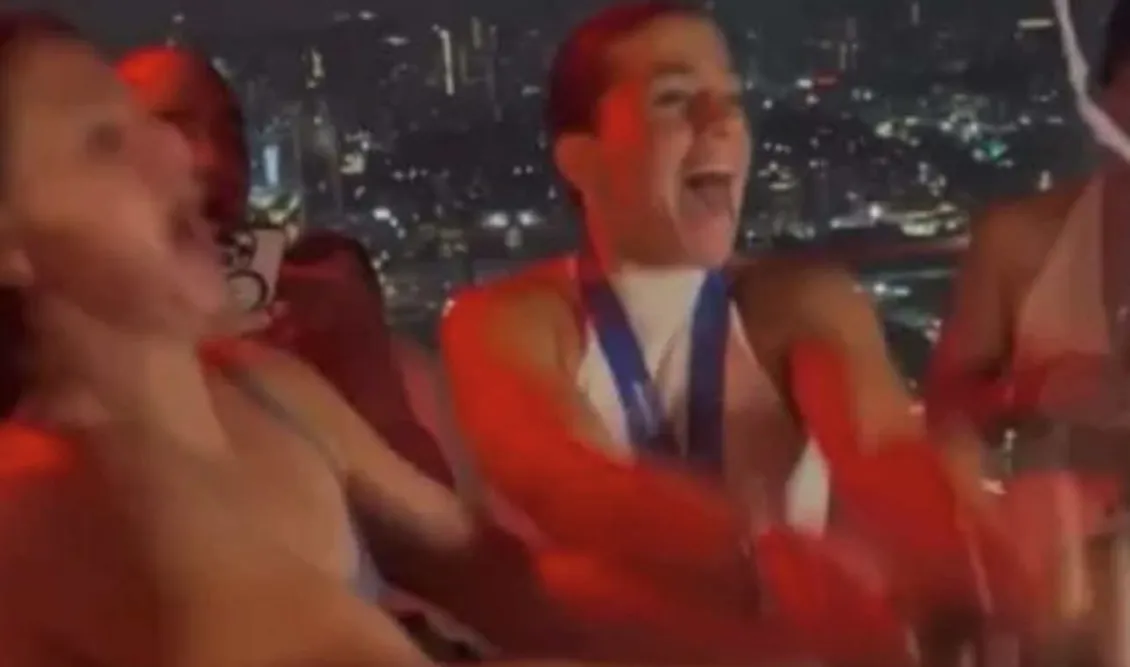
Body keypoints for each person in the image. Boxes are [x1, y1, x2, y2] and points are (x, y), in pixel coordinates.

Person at [442, 1, 965, 660]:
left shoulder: (800, 301)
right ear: (581, 159)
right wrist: (767, 566)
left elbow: (881, 452)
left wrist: (955, 569)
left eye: (733, 99)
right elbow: (567, 484)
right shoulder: (506, 321)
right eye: (674, 98)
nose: (722, 121)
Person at [0, 12, 492, 665]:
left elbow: (496, 571)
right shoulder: (48, 505)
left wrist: (365, 365)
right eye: (104, 141)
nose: (191, 155)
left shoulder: (270, 387)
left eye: (226, 128)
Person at [116, 46, 458, 488]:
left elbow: (434, 510)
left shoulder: (317, 311)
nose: (214, 159)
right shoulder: (63, 346)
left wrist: (354, 366)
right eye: (172, 128)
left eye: (231, 136)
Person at [927, 0, 1130, 484]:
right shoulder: (1018, 241)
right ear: (1106, 98)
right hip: (1057, 528)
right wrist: (1032, 390)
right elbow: (944, 416)